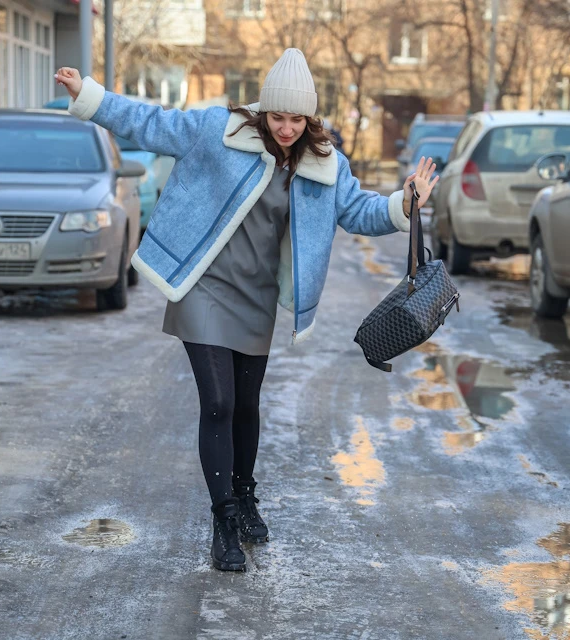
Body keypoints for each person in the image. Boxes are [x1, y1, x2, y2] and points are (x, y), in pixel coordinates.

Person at [54, 48, 438, 572]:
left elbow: (359, 211)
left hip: (256, 297)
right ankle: (223, 520)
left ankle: (246, 491)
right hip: (203, 285)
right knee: (217, 403)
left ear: (310, 119)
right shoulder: (220, 131)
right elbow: (151, 124)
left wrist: (405, 201)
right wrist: (90, 97)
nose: (285, 128)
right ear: (263, 110)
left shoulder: (325, 163)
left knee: (245, 405)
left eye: (296, 119)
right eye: (277, 117)